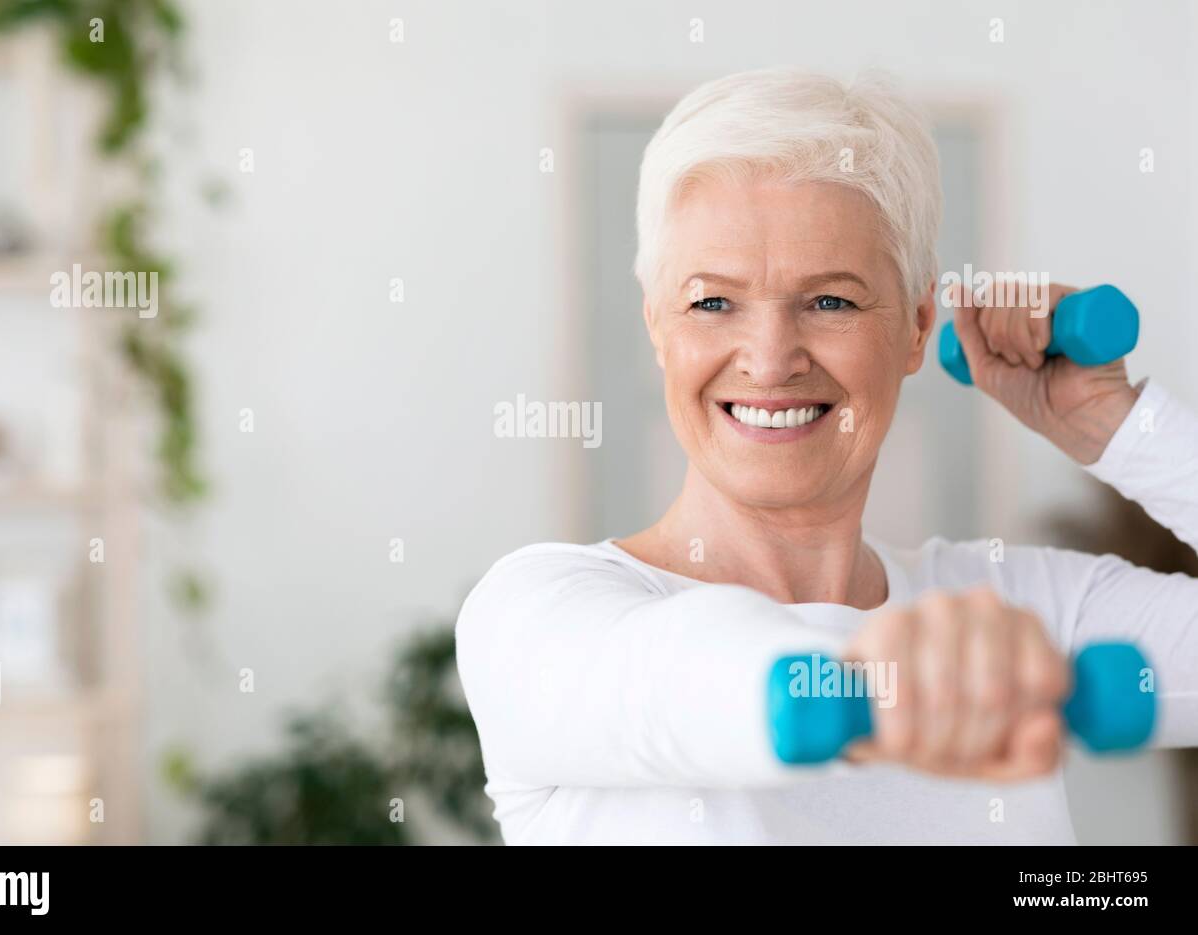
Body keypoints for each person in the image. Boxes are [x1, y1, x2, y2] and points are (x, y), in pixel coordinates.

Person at [455, 67, 1198, 844]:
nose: (771, 359)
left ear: (915, 327)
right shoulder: (538, 615)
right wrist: (887, 685)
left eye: (831, 300)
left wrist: (1120, 426)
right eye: (713, 301)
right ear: (657, 327)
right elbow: (699, 683)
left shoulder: (1017, 607)